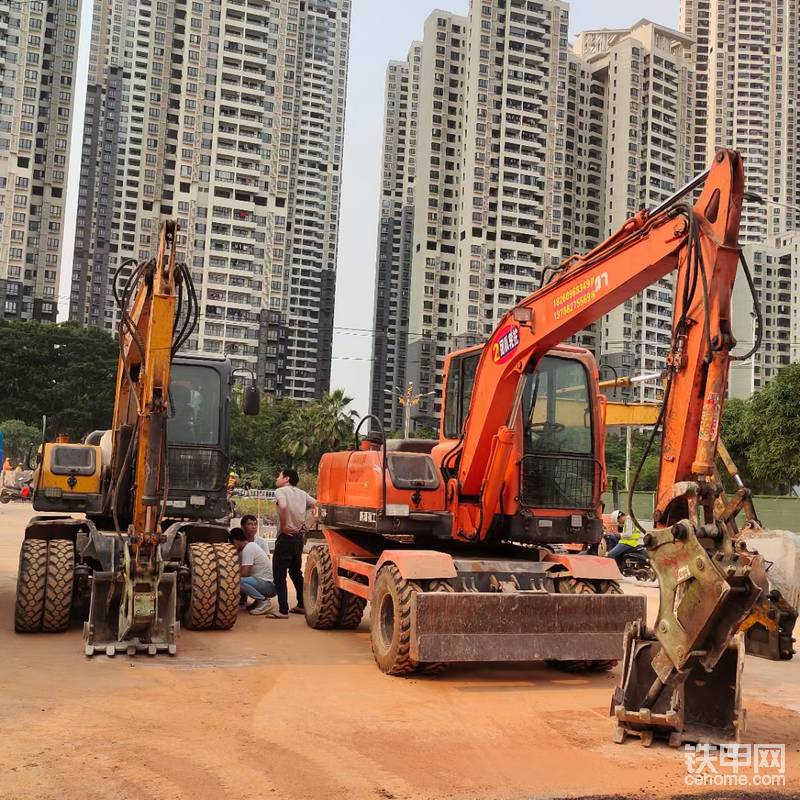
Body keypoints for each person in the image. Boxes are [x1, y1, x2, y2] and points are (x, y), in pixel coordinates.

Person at [273, 468, 316, 619]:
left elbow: (283, 506)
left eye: (279, 476)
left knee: (279, 574)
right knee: (296, 573)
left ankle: (283, 610)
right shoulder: (302, 494)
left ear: (286, 478)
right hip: (298, 538)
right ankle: (302, 605)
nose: (277, 478)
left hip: (285, 537)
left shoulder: (280, 492)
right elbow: (319, 505)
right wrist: (310, 525)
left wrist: (284, 526)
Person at [229, 527, 277, 615]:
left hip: (268, 586)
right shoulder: (251, 546)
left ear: (235, 540)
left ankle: (263, 601)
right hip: (267, 584)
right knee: (240, 579)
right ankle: (258, 602)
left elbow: (245, 573)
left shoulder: (248, 548)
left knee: (237, 581)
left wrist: (230, 575)